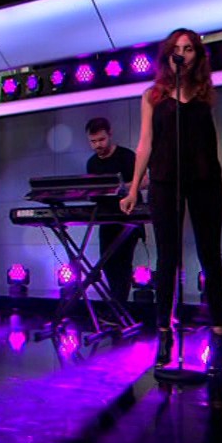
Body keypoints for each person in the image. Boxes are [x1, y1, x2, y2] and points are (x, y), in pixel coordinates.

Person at [120, 28, 222, 369]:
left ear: (196, 55)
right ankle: (164, 331)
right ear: (168, 55)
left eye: (189, 48)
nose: (182, 53)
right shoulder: (152, 96)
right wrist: (134, 188)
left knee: (210, 253)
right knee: (167, 257)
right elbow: (145, 143)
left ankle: (219, 328)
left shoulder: (205, 93)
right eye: (177, 48)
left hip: (205, 179)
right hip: (166, 180)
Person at [85, 117, 143, 308]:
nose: (98, 145)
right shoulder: (92, 163)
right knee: (107, 262)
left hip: (128, 218)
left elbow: (144, 181)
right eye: (93, 141)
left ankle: (120, 308)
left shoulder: (126, 156)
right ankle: (117, 308)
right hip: (106, 219)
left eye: (101, 140)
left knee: (123, 263)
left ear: (109, 135)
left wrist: (121, 189)